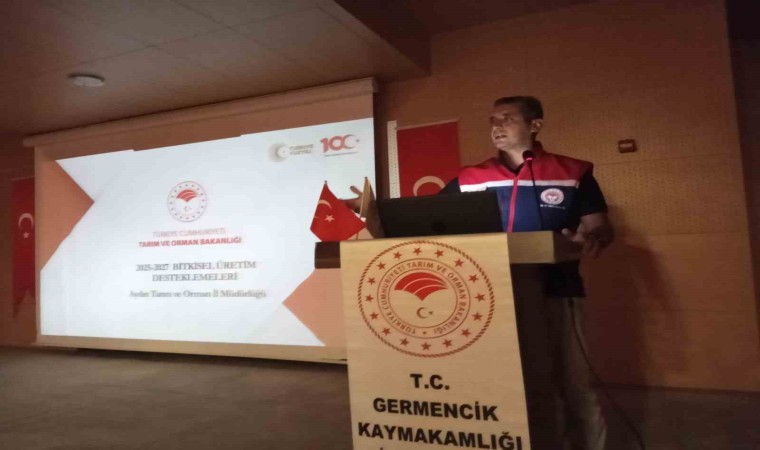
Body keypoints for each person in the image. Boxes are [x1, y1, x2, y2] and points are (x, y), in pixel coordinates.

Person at [441, 96, 612, 450]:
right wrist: (371, 211)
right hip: (495, 298)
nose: (497, 126)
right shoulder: (470, 177)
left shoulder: (573, 172)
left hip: (559, 290)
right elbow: (427, 216)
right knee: (523, 385)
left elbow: (599, 227)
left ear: (535, 125)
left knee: (575, 383)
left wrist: (592, 238)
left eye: (507, 118)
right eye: (493, 120)